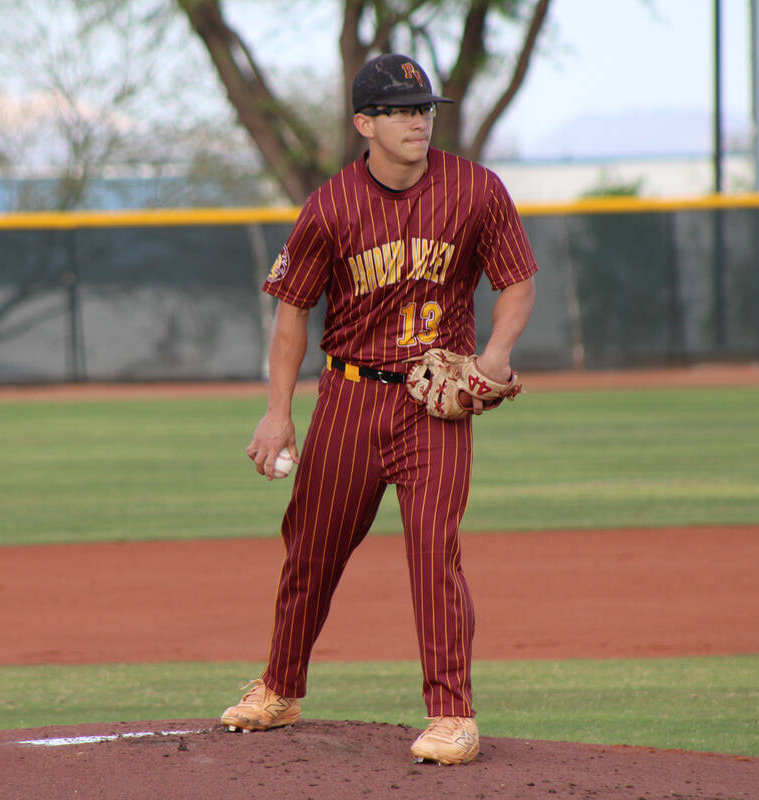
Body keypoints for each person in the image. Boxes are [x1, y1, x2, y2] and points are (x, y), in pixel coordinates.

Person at [220, 55, 538, 764]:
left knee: (434, 550)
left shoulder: (476, 190)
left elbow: (516, 281)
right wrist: (278, 413)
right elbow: (292, 314)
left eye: (424, 108)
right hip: (349, 397)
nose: (418, 120)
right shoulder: (330, 207)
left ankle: (452, 714)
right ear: (365, 123)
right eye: (399, 110)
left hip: (435, 405)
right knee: (311, 549)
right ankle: (279, 687)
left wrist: (492, 358)